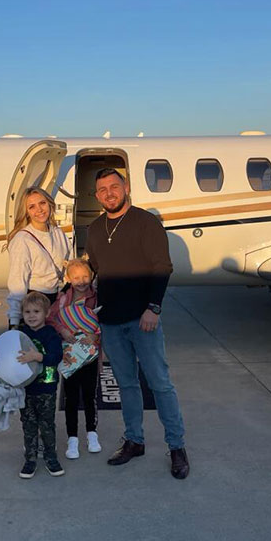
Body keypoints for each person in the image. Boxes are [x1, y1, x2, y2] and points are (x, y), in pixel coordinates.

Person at [85, 168, 190, 479]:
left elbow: (162, 267)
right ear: (97, 196)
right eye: (102, 189)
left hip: (143, 319)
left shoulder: (146, 223)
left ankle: (176, 446)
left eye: (114, 187)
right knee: (127, 385)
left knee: (159, 384)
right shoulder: (94, 229)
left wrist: (153, 308)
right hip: (110, 321)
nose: (109, 193)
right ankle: (134, 440)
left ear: (126, 187)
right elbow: (94, 269)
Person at [47, 259, 101, 459]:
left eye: (85, 276)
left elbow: (103, 324)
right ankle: (72, 438)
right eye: (76, 277)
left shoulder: (96, 299)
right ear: (68, 278)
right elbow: (50, 319)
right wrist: (62, 329)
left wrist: (96, 336)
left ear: (92, 276)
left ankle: (92, 433)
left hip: (90, 356)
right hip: (70, 357)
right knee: (70, 398)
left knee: (90, 396)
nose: (81, 281)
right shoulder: (62, 300)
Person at [6, 187, 72, 328]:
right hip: (32, 305)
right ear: (27, 212)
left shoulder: (58, 233)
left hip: (54, 302)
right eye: (32, 207)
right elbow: (17, 283)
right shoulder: (22, 240)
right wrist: (14, 321)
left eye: (42, 203)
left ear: (49, 204)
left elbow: (69, 264)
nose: (39, 210)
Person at [16, 291, 65, 478]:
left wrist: (37, 356)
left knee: (46, 424)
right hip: (26, 389)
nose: (31, 316)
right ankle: (30, 459)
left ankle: (51, 457)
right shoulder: (20, 334)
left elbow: (56, 357)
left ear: (46, 313)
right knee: (28, 424)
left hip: (46, 387)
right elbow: (7, 353)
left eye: (36, 311)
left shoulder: (50, 334)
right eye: (27, 312)